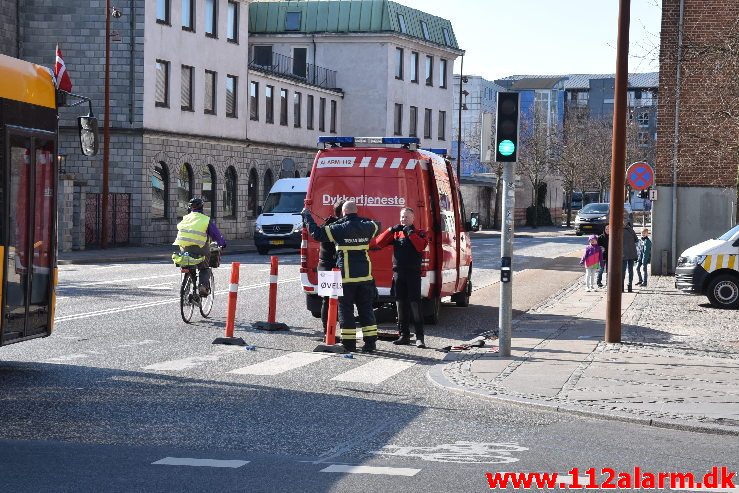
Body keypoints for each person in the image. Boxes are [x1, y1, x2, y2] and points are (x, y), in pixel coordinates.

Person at [302, 200, 381, 353]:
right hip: (365, 276)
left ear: (343, 213)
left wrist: (307, 217)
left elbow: (317, 234)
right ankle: (370, 344)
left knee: (346, 311)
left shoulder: (339, 229)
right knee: (366, 310)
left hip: (346, 278)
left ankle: (349, 344)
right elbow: (378, 224)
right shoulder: (368, 227)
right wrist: (357, 220)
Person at [371, 207, 429, 348]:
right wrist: (390, 230)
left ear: (413, 218)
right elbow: (378, 242)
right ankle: (404, 335)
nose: (404, 220)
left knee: (415, 305)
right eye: (402, 217)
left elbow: (420, 246)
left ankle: (420, 337)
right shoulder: (397, 234)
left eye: (407, 217)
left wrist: (410, 233)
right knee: (400, 305)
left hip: (413, 274)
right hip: (399, 274)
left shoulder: (420, 233)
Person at [173, 197, 226, 297]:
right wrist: (222, 244)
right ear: (202, 207)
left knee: (188, 266)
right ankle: (202, 286)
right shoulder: (205, 220)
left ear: (190, 208)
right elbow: (216, 235)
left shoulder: (185, 219)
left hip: (184, 249)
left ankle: (185, 289)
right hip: (200, 249)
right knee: (204, 267)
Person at [318, 201, 344, 332]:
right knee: (330, 301)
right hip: (330, 267)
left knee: (329, 301)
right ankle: (328, 332)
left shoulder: (328, 225)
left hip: (325, 266)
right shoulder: (336, 226)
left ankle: (329, 331)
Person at [622, 216, 638, 293]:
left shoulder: (619, 230)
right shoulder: (631, 230)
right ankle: (629, 286)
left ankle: (622, 287)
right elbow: (636, 240)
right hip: (631, 253)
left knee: (623, 271)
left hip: (623, 254)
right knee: (630, 270)